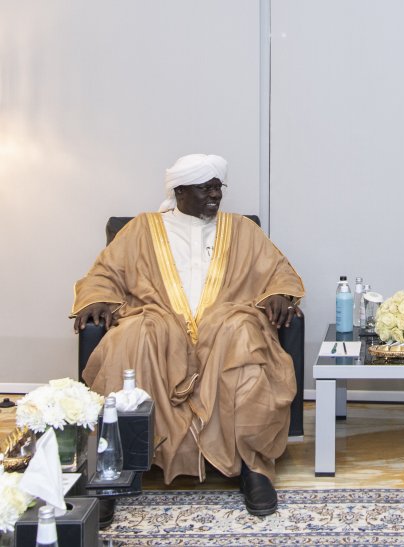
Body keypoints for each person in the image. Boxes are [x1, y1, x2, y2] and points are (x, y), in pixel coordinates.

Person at [72, 154, 305, 516]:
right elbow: (105, 272)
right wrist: (99, 298)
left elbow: (276, 270)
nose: (215, 195)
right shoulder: (142, 228)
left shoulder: (242, 229)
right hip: (159, 322)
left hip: (224, 323)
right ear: (179, 190)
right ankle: (113, 469)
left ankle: (252, 466)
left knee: (243, 334)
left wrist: (278, 293)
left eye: (218, 187)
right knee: (131, 338)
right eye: (205, 188)